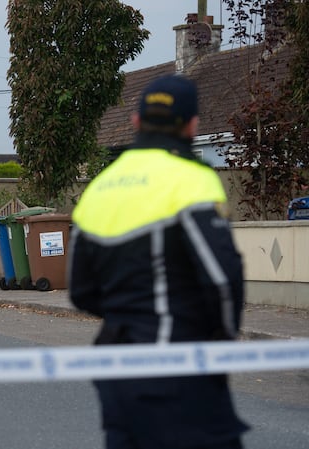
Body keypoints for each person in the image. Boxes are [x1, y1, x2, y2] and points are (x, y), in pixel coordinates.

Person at [67, 74, 249, 449]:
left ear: (136, 121)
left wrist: (128, 315)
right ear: (192, 125)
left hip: (115, 366)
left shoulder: (100, 187)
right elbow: (221, 278)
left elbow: (81, 290)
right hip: (175, 365)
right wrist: (223, 337)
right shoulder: (192, 180)